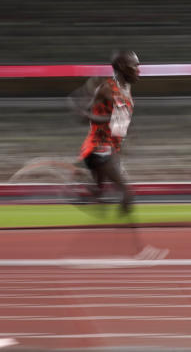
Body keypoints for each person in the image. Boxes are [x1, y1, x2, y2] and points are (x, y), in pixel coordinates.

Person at [68, 50, 168, 260]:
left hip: (111, 148)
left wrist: (125, 131)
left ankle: (80, 195)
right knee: (127, 194)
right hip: (98, 148)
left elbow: (120, 121)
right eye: (135, 66)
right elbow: (86, 115)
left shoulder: (126, 87)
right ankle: (138, 249)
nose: (139, 70)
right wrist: (101, 118)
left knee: (100, 198)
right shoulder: (106, 88)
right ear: (122, 68)